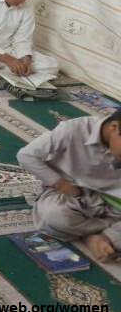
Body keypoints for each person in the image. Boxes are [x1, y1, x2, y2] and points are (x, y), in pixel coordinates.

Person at [17, 110, 121, 262]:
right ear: (114, 127)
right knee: (54, 217)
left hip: (114, 204)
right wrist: (59, 183)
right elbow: (26, 155)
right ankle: (100, 234)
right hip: (73, 197)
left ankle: (101, 237)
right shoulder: (74, 129)